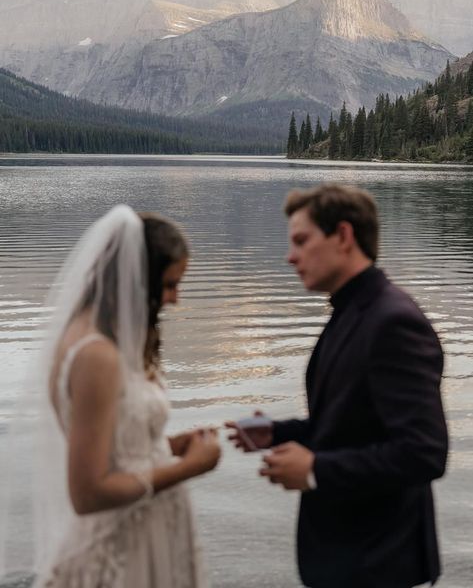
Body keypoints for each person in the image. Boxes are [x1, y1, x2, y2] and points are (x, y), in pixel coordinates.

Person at [228, 184, 448, 588]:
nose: (290, 256)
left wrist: (315, 470)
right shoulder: (353, 310)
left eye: (301, 241)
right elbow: (349, 425)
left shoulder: (393, 322)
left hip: (379, 563)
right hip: (349, 559)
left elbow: (424, 453)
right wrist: (278, 433)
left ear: (343, 236)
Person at [6, 205, 221, 587]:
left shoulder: (92, 336)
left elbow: (114, 449)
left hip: (148, 525)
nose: (176, 299)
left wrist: (169, 446)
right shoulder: (97, 355)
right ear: (139, 280)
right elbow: (88, 492)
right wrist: (191, 466)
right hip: (123, 541)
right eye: (170, 285)